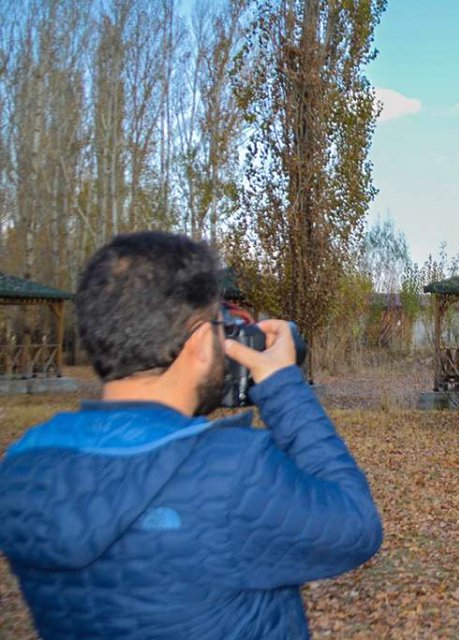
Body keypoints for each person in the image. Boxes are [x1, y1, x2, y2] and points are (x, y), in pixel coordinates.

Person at [0, 232, 383, 639]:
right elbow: (356, 525)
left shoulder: (23, 466)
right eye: (220, 326)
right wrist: (283, 385)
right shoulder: (232, 471)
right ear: (201, 342)